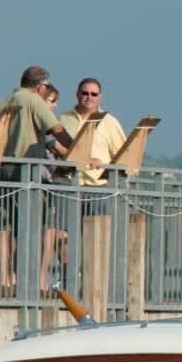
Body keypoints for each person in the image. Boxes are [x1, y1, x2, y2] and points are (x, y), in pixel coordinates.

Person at [46, 77, 127, 294]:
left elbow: (124, 156)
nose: (88, 97)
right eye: (84, 92)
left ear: (100, 97)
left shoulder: (110, 122)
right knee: (61, 236)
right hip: (66, 184)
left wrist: (104, 164)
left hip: (97, 187)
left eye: (93, 94)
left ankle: (92, 288)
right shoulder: (63, 118)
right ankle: (69, 282)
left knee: (96, 241)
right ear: (77, 94)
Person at [0, 66, 62, 294]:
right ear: (40, 86)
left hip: (1, 170)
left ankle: (5, 280)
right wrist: (76, 151)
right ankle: (38, 281)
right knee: (45, 224)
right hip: (27, 170)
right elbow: (56, 129)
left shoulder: (1, 103)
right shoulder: (33, 100)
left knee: (3, 227)